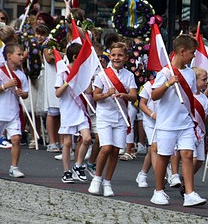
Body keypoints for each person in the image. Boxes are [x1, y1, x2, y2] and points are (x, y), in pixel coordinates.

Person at [148, 35, 207, 207]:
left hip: (185, 122)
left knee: (188, 155)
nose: (193, 56)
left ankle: (189, 193)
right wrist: (168, 84)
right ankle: (158, 191)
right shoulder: (165, 72)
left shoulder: (189, 73)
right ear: (182, 52)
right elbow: (154, 95)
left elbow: (192, 96)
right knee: (164, 156)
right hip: (167, 123)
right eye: (192, 53)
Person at [88, 42, 137, 197]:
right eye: (114, 55)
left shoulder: (129, 76)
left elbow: (134, 96)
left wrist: (124, 95)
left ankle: (107, 182)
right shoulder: (103, 74)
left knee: (116, 150)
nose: (117, 58)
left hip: (121, 117)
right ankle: (96, 178)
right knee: (107, 147)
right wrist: (107, 94)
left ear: (126, 57)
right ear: (110, 56)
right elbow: (95, 96)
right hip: (104, 116)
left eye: (120, 55)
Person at [0, 43, 29, 176]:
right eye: (19, 54)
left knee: (16, 139)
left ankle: (14, 167)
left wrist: (22, 93)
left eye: (22, 54)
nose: (22, 57)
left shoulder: (21, 75)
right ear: (9, 56)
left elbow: (26, 94)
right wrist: (6, 86)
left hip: (14, 112)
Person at [54, 43, 92, 183]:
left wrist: (88, 78)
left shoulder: (82, 73)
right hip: (68, 110)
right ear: (75, 57)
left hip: (80, 110)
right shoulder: (63, 73)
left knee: (87, 138)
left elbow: (88, 92)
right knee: (68, 143)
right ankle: (66, 171)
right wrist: (66, 83)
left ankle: (78, 166)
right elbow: (57, 93)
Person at [135, 79, 157, 188]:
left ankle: (143, 173)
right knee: (154, 147)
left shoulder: (175, 84)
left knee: (154, 150)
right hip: (150, 122)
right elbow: (142, 104)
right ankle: (160, 176)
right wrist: (153, 115)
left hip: (166, 121)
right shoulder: (149, 85)